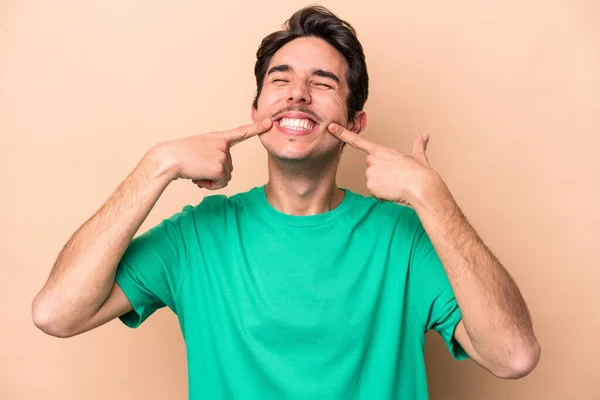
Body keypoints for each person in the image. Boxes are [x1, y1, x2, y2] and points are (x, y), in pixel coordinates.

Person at [32, 5, 540, 399]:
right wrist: (157, 165)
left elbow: (513, 356)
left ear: (355, 121)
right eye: (280, 80)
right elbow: (56, 314)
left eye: (322, 83)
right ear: (257, 110)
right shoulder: (197, 236)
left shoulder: (402, 239)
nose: (297, 94)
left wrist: (434, 198)